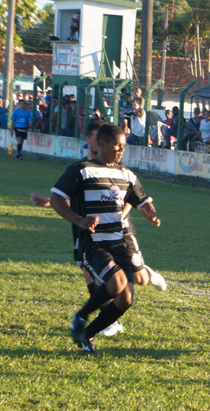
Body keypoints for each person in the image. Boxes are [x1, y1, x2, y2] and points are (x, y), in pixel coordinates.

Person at [31, 120, 167, 338]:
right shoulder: (81, 170)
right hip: (93, 240)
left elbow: (140, 199)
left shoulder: (126, 174)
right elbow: (60, 197)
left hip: (119, 239)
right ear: (99, 144)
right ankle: (86, 317)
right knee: (112, 281)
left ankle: (88, 334)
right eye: (118, 145)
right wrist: (79, 220)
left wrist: (149, 211)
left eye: (124, 145)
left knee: (128, 295)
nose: (122, 149)